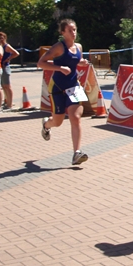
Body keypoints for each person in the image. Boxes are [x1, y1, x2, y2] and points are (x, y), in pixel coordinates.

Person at [38, 19, 89, 165]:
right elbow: (41, 63)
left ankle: (76, 153)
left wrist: (82, 63)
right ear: (63, 32)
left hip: (74, 86)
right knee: (58, 122)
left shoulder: (78, 46)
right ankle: (46, 124)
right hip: (58, 87)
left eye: (75, 29)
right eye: (70, 30)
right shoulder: (58, 47)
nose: (74, 33)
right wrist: (59, 68)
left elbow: (74, 61)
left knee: (76, 117)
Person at [0, 32, 19, 110]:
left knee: (7, 86)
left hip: (5, 67)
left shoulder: (6, 46)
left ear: (5, 38)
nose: (0, 39)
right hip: (0, 67)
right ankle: (7, 102)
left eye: (2, 37)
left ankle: (10, 104)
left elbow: (16, 53)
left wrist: (8, 59)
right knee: (3, 86)